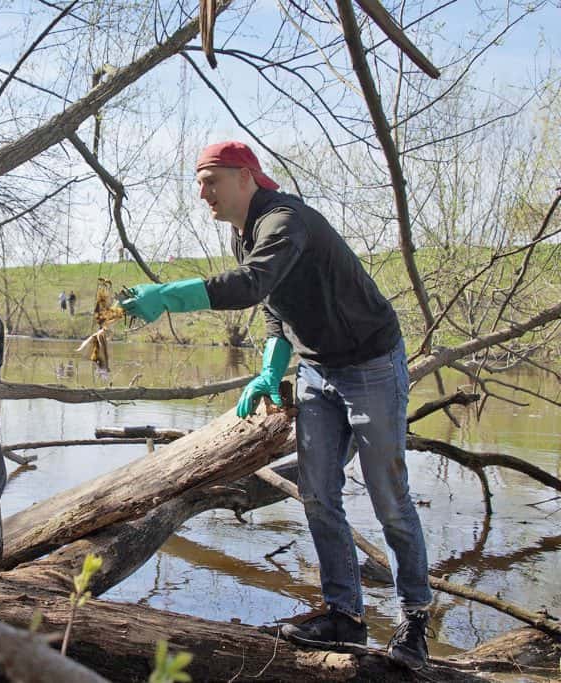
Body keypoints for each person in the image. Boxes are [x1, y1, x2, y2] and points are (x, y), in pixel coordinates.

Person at [119, 141, 432, 669]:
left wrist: (168, 295)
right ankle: (345, 617)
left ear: (246, 178)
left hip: (371, 365)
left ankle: (415, 622)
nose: (202, 194)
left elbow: (250, 286)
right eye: (199, 182)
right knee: (317, 494)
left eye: (210, 181)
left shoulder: (285, 220)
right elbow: (273, 307)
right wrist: (270, 367)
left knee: (388, 496)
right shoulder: (246, 234)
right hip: (317, 369)